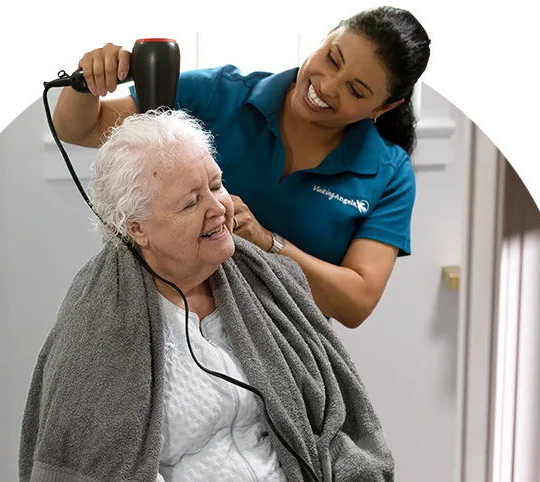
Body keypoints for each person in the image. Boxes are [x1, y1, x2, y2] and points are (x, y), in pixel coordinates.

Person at [19, 110, 394, 482]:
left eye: (215, 186)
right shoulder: (96, 324)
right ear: (137, 228)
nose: (218, 208)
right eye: (189, 202)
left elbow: (329, 426)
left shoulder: (271, 283)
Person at [52, 6, 431, 328]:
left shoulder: (390, 173)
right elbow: (80, 127)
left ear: (384, 108)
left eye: (356, 90)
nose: (328, 86)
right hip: (170, 326)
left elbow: (356, 303)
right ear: (327, 36)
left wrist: (267, 243)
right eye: (332, 58)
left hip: (286, 348)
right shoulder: (219, 93)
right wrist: (89, 79)